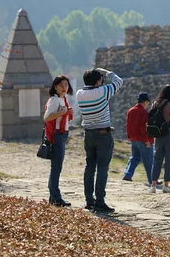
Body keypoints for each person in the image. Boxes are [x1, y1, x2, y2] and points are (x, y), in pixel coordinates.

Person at [76, 68, 123, 212]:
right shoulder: (102, 92)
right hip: (103, 134)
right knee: (102, 168)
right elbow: (119, 81)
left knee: (89, 167)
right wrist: (106, 72)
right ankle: (100, 200)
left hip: (88, 134)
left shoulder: (79, 94)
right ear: (98, 82)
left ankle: (89, 200)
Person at [44, 75, 74, 207]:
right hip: (57, 135)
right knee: (56, 167)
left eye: (66, 85)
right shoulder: (54, 100)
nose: (64, 87)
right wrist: (63, 112)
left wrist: (67, 112)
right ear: (55, 86)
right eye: (61, 85)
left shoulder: (63, 100)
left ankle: (53, 197)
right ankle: (56, 197)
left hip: (62, 134)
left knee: (57, 166)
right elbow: (47, 117)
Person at [150, 85, 170, 194]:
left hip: (157, 133)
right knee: (169, 159)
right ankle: (166, 185)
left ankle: (153, 185)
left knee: (157, 158)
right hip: (169, 133)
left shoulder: (155, 103)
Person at [123, 92, 154, 184]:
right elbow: (143, 128)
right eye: (147, 102)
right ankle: (152, 180)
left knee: (134, 157)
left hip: (133, 139)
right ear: (145, 102)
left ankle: (128, 174)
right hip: (142, 140)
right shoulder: (144, 112)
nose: (147, 104)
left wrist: (130, 137)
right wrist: (147, 140)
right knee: (148, 160)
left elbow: (128, 125)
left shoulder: (130, 110)